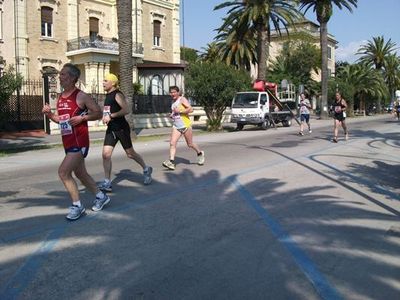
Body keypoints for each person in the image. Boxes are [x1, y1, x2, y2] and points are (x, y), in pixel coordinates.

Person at [42, 63, 110, 220]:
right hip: (68, 141)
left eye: (63, 74)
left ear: (72, 78)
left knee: (63, 172)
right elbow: (62, 120)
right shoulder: (61, 97)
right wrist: (49, 115)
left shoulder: (81, 96)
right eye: (60, 74)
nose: (60, 76)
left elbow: (98, 113)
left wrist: (82, 117)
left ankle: (77, 206)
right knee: (80, 173)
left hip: (79, 142)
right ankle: (101, 196)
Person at [98, 74, 153, 192]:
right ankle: (107, 182)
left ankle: (146, 168)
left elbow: (126, 110)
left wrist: (111, 116)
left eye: (105, 80)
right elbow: (109, 111)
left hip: (121, 128)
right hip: (111, 129)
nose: (103, 82)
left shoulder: (117, 94)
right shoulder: (108, 96)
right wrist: (105, 117)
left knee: (130, 154)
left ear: (112, 83)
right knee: (106, 155)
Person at [162, 85, 205, 170]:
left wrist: (180, 111)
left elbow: (191, 109)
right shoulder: (173, 102)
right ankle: (171, 162)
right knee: (172, 143)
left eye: (174, 92)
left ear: (178, 92)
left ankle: (200, 153)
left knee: (190, 144)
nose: (173, 94)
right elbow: (175, 112)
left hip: (185, 125)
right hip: (176, 126)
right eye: (171, 92)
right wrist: (172, 115)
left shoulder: (182, 99)